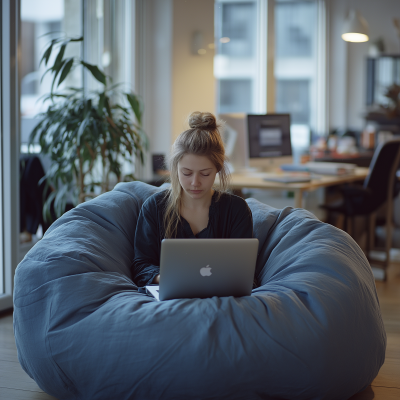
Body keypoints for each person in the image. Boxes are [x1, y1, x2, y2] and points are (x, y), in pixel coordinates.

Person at [131, 111, 254, 287]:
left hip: (222, 296)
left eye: (205, 173)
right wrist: (166, 279)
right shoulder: (154, 208)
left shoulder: (236, 209)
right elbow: (141, 266)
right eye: (186, 173)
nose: (195, 182)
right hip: (169, 297)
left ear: (218, 169)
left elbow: (245, 269)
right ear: (175, 168)